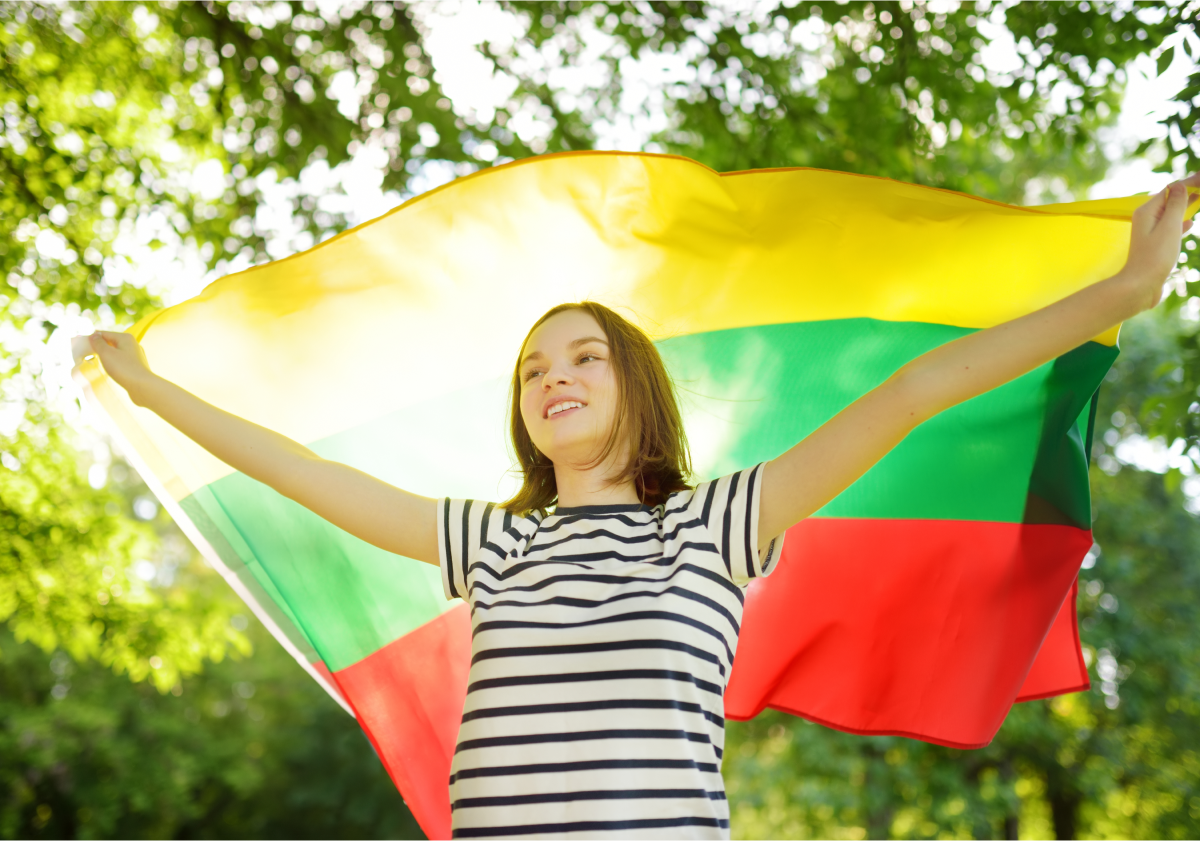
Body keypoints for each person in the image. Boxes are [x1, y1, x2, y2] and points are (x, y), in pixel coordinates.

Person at [77, 176, 1197, 839]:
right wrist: (150, 387)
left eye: (582, 359)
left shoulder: (718, 524)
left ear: (635, 387)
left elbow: (918, 386)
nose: (551, 377)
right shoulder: (493, 540)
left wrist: (1124, 292)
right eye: (532, 370)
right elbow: (301, 471)